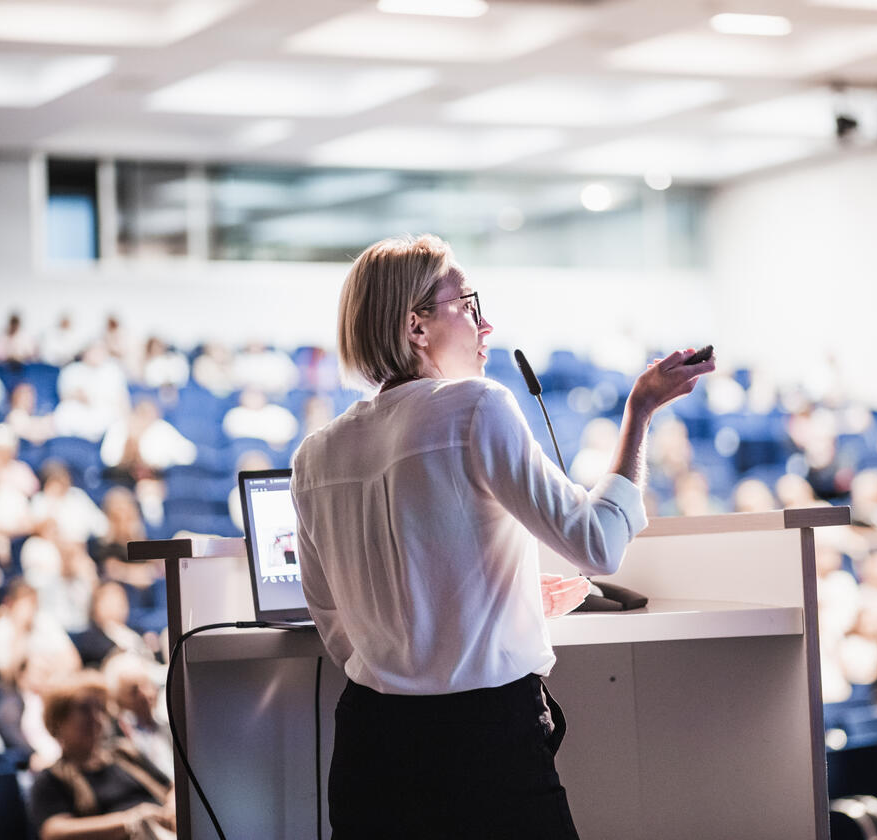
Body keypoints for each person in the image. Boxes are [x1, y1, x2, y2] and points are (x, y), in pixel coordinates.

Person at [291, 234, 713, 838]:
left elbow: (337, 621)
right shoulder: (475, 407)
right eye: (467, 303)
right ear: (417, 327)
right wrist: (639, 412)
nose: (486, 324)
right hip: (481, 745)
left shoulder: (314, 455)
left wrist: (494, 604)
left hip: (368, 748)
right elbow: (597, 544)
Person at [29, 672, 175, 840]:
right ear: (58, 721)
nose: (95, 718)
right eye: (84, 709)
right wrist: (130, 821)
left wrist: (171, 811)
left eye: (99, 708)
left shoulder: (124, 753)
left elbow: (171, 787)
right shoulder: (51, 779)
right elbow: (54, 831)